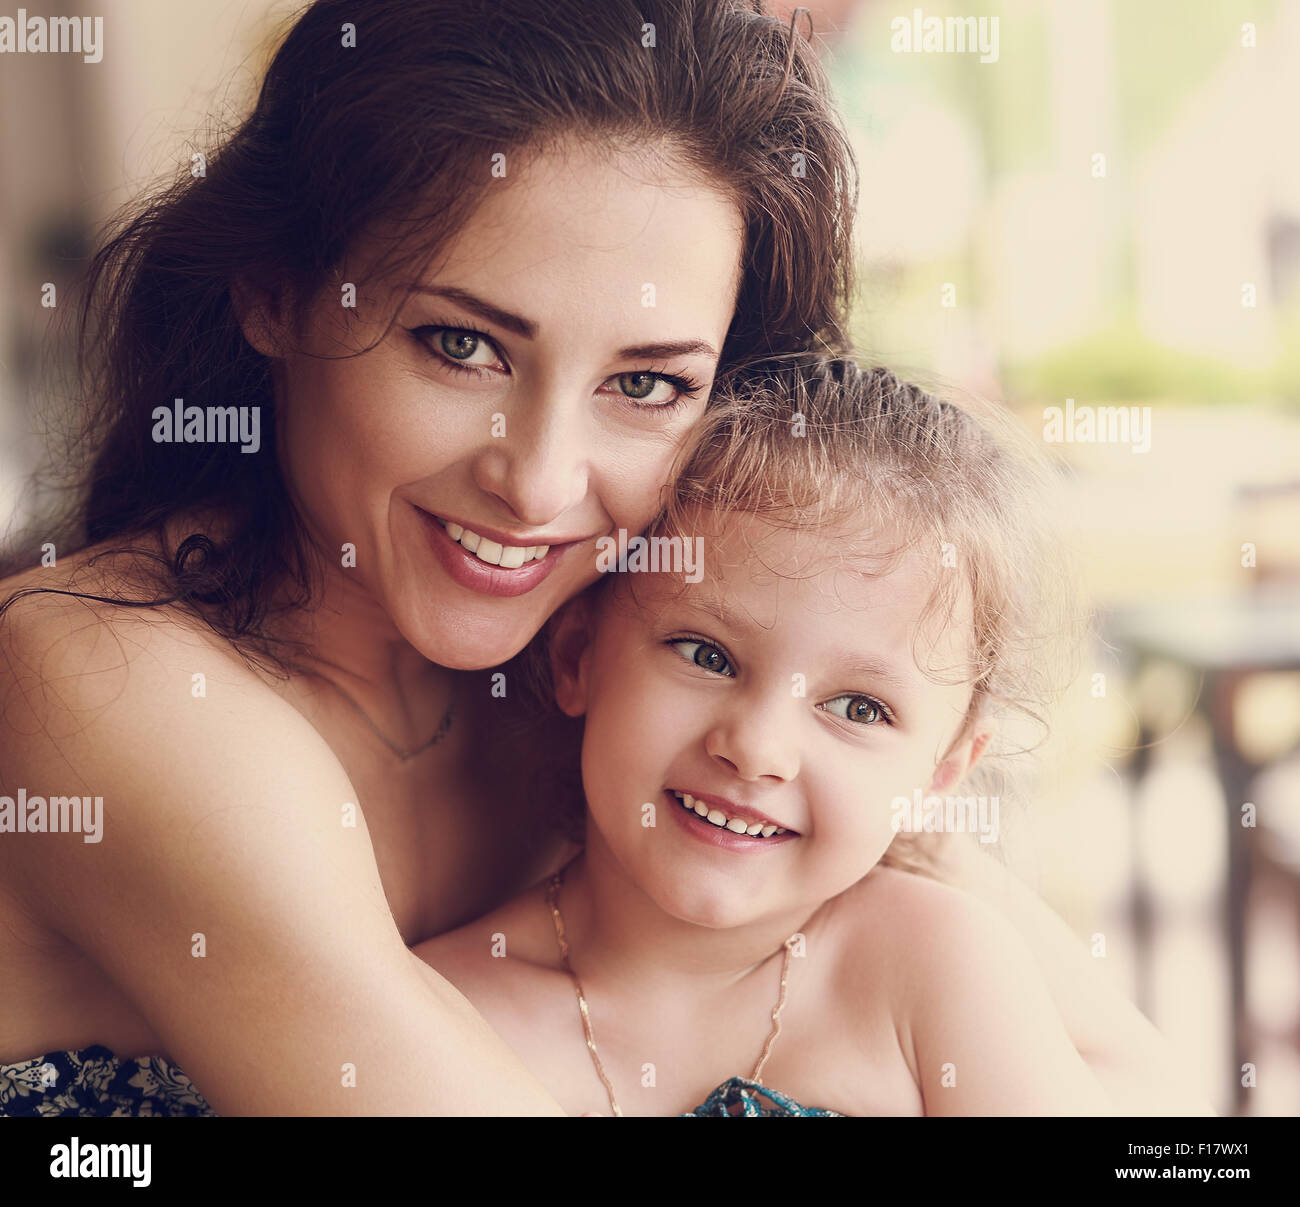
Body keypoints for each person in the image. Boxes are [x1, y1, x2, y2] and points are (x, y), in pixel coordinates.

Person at [0, 0, 856, 1116]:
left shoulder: (619, 684)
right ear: (273, 291)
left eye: (645, 385)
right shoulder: (95, 673)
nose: (541, 482)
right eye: (461, 346)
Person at [413, 357, 1190, 1116]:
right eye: (706, 655)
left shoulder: (933, 969)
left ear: (941, 773)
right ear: (580, 655)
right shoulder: (440, 1014)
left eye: (858, 708)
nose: (756, 748)